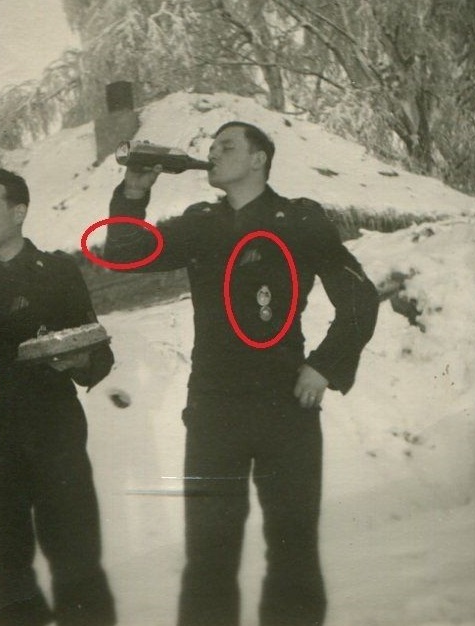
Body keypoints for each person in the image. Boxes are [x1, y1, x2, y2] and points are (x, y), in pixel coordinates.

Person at [102, 122, 380, 626]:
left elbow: (359, 296)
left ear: (259, 159)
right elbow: (123, 254)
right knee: (208, 556)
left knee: (293, 552)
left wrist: (324, 367)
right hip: (214, 409)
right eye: (210, 147)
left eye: (227, 146)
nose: (213, 153)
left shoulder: (299, 219)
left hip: (285, 405)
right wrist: (133, 193)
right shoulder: (200, 224)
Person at [0, 168, 117, 626]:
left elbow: (99, 351)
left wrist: (79, 362)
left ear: (19, 212)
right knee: (10, 578)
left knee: (78, 567)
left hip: (57, 436)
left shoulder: (57, 271)